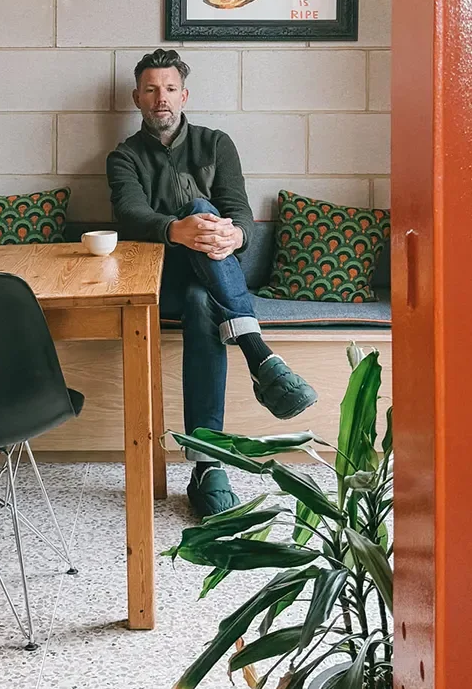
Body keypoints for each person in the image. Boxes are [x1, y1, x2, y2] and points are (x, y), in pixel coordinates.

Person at [106, 48, 316, 518]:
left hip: (211, 279)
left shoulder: (216, 143)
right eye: (152, 89)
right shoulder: (123, 157)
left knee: (205, 298)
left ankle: (207, 466)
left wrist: (237, 232)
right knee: (198, 215)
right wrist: (174, 229)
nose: (162, 98)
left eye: (171, 89)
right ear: (136, 97)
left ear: (185, 94)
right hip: (158, 279)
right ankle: (258, 354)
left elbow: (238, 209)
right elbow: (129, 213)